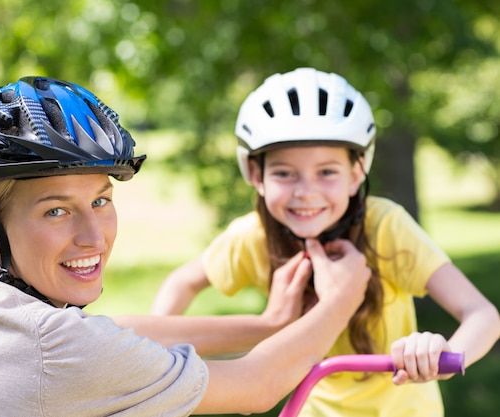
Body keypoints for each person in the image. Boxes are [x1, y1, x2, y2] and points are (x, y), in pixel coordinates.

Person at [0, 75, 373, 416]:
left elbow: (110, 335)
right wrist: (343, 296)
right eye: (56, 210)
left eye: (101, 201)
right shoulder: (62, 351)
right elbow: (259, 385)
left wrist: (269, 323)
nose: (94, 236)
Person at [150, 68, 500, 416]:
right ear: (256, 175)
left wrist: (442, 351)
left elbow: (482, 314)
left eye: (327, 172)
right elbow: (183, 281)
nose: (305, 192)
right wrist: (148, 364)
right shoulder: (254, 236)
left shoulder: (384, 227)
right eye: (284, 173)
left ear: (356, 173)